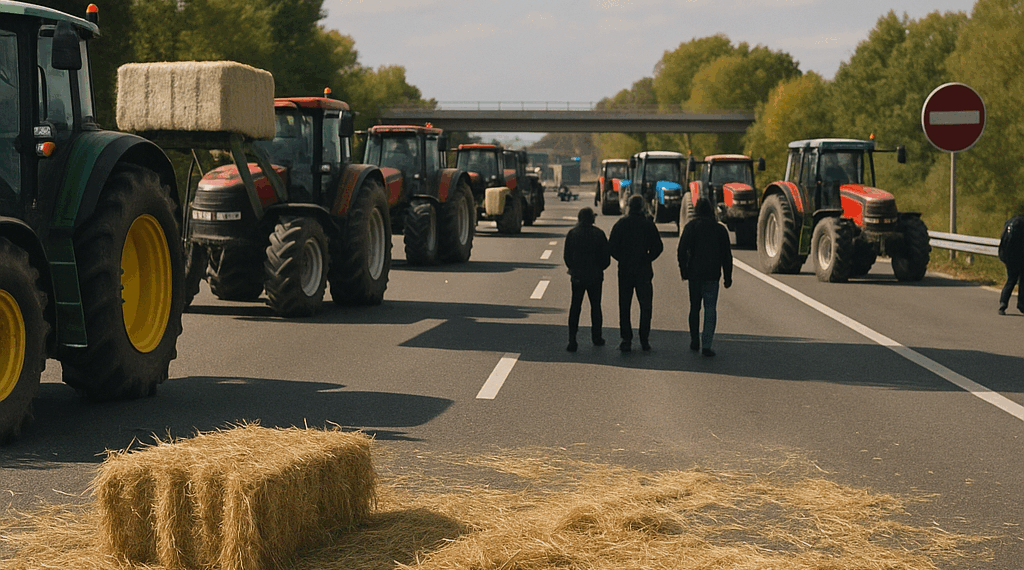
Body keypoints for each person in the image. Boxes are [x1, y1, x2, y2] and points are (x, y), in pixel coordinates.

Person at [678, 197, 733, 356]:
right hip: (712, 275)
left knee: (694, 308)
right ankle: (707, 344)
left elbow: (681, 250)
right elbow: (726, 256)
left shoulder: (691, 227)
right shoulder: (720, 230)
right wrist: (727, 277)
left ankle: (694, 340)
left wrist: (684, 270)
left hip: (694, 275)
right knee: (710, 309)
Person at [608, 194, 663, 352]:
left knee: (624, 306)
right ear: (641, 207)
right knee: (645, 306)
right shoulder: (647, 225)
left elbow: (611, 247)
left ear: (629, 207)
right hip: (643, 270)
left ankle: (626, 339)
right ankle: (644, 339)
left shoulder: (621, 224)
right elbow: (658, 247)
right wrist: (647, 258)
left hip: (625, 270)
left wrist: (622, 258)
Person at [563, 207, 610, 351]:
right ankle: (597, 337)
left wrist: (574, 268)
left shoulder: (572, 234)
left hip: (577, 276)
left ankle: (572, 339)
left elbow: (567, 256)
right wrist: (599, 269)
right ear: (592, 219)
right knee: (596, 306)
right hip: (595, 276)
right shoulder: (599, 234)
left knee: (575, 307)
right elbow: (606, 259)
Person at [998, 213, 1024, 315]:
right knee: (1022, 281)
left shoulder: (1010, 222)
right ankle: (1021, 305)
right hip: (1021, 257)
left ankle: (1003, 303)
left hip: (1010, 257)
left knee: (1011, 280)